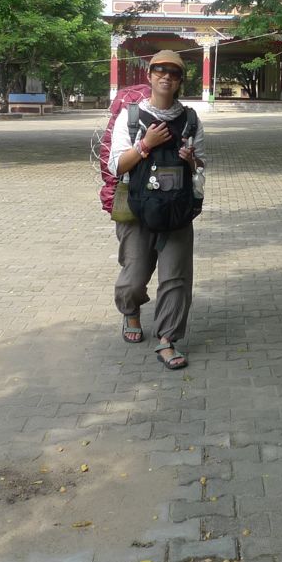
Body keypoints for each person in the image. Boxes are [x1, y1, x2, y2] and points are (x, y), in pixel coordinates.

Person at [106, 50, 205, 370]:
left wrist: (192, 161)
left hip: (176, 207)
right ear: (149, 76)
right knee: (133, 278)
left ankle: (167, 338)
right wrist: (144, 144)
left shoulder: (190, 119)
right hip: (136, 207)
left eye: (173, 73)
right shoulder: (131, 116)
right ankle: (131, 310)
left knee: (175, 277)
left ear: (179, 81)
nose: (166, 76)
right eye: (159, 71)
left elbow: (202, 167)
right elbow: (116, 164)